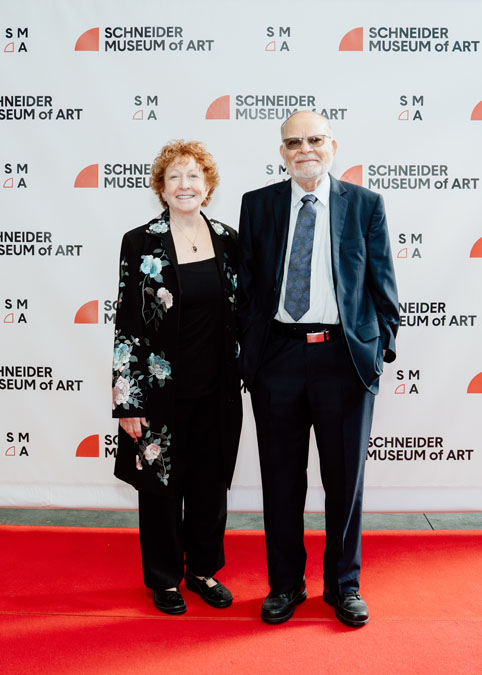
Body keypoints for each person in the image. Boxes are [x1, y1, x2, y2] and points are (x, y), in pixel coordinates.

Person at [237, 111, 399, 627]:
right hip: (277, 359)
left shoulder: (365, 205)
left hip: (343, 360)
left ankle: (343, 585)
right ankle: (285, 585)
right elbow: (247, 286)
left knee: (345, 481)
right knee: (281, 480)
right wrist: (251, 355)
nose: (304, 149)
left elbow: (382, 284)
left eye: (314, 139)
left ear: (333, 145)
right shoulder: (258, 204)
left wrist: (378, 351)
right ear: (282, 152)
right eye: (293, 142)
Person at [112, 140, 242, 615]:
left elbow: (242, 315)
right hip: (160, 394)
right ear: (161, 188)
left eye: (193, 176)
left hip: (217, 391)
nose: (184, 185)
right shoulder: (139, 241)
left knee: (210, 484)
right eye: (174, 177)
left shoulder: (228, 239)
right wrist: (128, 401)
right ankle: (165, 579)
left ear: (208, 186)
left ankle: (203, 570)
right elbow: (127, 324)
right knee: (160, 490)